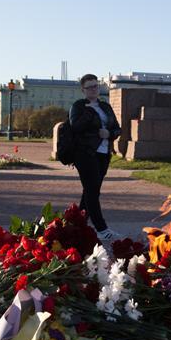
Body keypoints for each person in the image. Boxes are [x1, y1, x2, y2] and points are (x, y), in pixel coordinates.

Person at [69, 74, 123, 242]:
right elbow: (75, 127)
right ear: (83, 90)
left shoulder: (106, 107)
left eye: (96, 86)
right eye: (90, 87)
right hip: (85, 154)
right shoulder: (78, 106)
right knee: (92, 191)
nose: (94, 90)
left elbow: (117, 128)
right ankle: (101, 228)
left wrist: (110, 133)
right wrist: (89, 112)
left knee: (90, 191)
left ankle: (77, 226)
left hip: (103, 153)